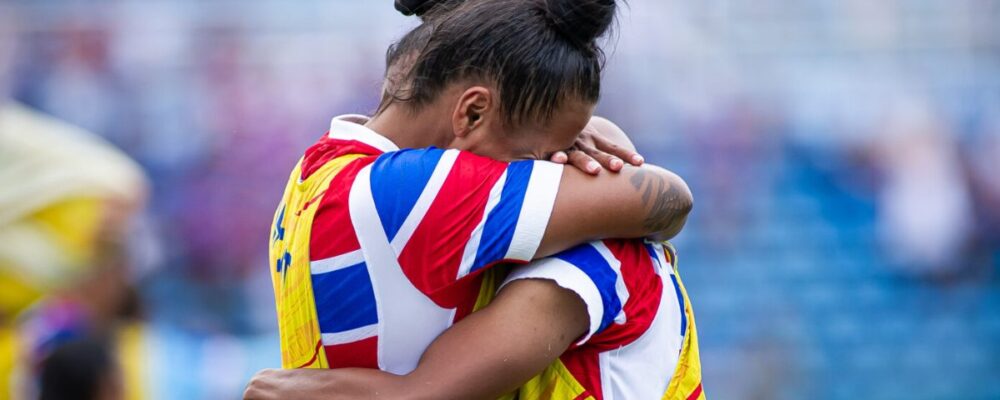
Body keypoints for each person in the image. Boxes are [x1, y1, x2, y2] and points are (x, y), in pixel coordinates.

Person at [249, 0, 699, 398]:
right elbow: (664, 200)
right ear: (472, 112)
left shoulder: (313, 175)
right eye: (538, 158)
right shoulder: (424, 191)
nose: (562, 165)